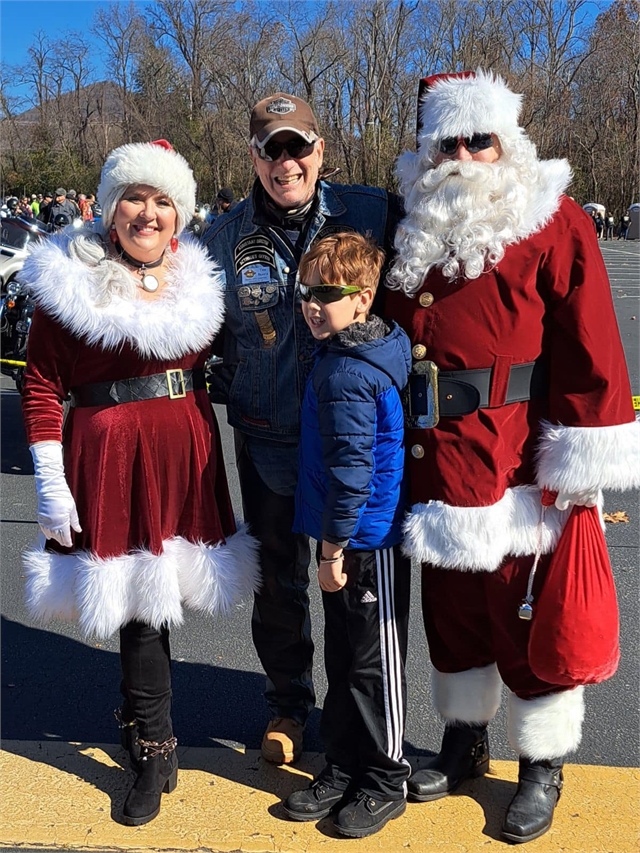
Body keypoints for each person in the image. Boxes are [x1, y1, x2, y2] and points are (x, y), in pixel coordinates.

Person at [385, 70, 640, 845]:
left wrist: (580, 463)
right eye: (447, 142)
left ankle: (543, 759)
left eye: (479, 139)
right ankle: (466, 739)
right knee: (453, 611)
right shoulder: (412, 223)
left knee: (527, 609)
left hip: (516, 457)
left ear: (508, 144)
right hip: (434, 454)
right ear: (426, 151)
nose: (463, 155)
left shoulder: (555, 222)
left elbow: (592, 346)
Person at [19, 139, 260, 827]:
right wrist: (50, 482)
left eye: (162, 201)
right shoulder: (69, 279)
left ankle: (151, 728)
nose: (147, 213)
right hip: (110, 453)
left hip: (185, 449)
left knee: (159, 594)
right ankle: (154, 745)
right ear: (108, 206)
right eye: (135, 196)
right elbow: (39, 384)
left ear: (179, 215)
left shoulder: (200, 281)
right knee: (139, 603)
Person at [202, 93, 403, 766]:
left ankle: (359, 727)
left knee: (353, 590)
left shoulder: (371, 214)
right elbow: (183, 319)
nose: (285, 162)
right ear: (254, 156)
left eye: (298, 146)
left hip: (350, 439)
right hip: (267, 437)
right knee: (280, 586)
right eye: (271, 149)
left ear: (320, 150)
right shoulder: (222, 238)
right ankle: (289, 701)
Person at [282, 233, 411, 837]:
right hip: (345, 535)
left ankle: (385, 777)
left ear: (362, 299)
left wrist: (333, 550)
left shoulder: (349, 372)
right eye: (306, 291)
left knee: (370, 663)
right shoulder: (351, 353)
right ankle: (343, 762)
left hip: (363, 541)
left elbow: (353, 474)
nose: (311, 304)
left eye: (326, 294)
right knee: (344, 655)